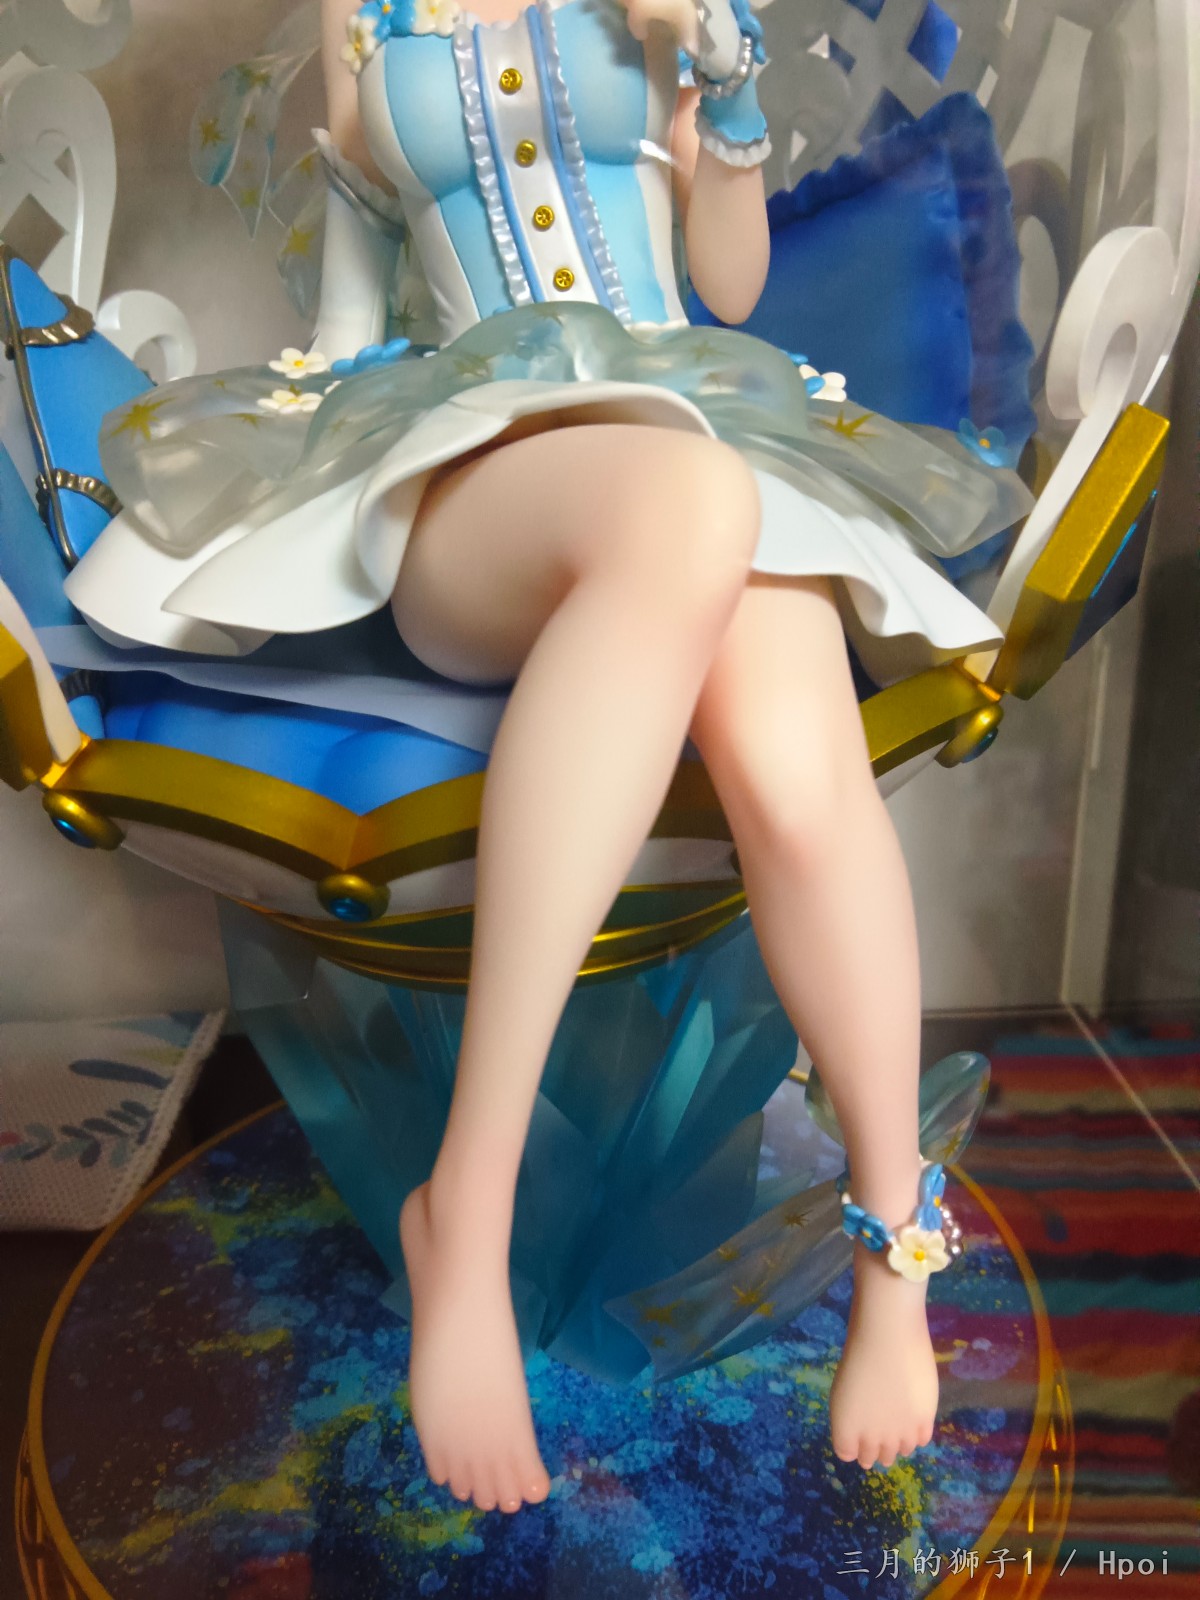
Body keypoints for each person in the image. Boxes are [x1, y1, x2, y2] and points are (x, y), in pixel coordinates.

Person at [66, 0, 1031, 1516]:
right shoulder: (362, 17)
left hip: (698, 427)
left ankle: (892, 1254)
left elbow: (730, 283)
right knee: (694, 511)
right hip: (485, 470)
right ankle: (472, 1195)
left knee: (794, 753)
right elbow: (351, 306)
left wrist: (719, 74)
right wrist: (299, 447)